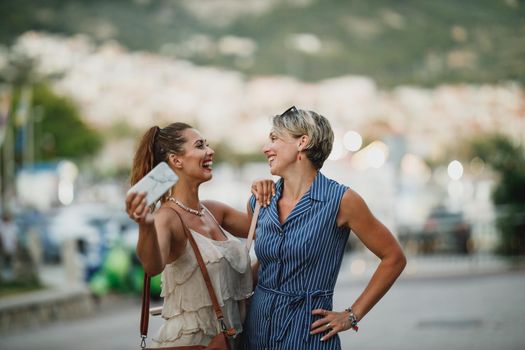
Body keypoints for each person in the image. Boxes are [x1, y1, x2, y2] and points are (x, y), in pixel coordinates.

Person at [243, 106, 407, 349]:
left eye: (275, 139)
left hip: (306, 336)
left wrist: (352, 315)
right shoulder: (260, 200)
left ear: (302, 142)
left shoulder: (341, 200)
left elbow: (394, 257)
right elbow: (264, 265)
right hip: (255, 335)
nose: (267, 148)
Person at [125, 122, 273, 348]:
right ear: (176, 160)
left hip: (230, 340)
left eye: (208, 145)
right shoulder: (166, 218)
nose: (210, 151)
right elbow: (152, 266)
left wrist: (258, 191)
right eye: (200, 145)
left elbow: (265, 229)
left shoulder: (214, 211)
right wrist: (145, 225)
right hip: (192, 342)